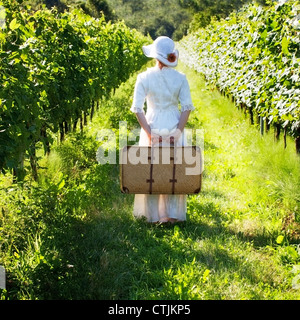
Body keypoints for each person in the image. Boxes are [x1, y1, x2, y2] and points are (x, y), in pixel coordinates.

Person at [130, 36, 195, 224]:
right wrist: (178, 132)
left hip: (152, 122)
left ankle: (152, 216)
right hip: (174, 123)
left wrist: (150, 133)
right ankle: (171, 215)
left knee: (152, 170)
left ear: (154, 57)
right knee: (173, 170)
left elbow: (137, 108)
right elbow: (186, 107)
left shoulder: (143, 77)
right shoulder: (181, 78)